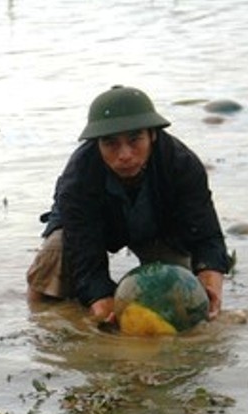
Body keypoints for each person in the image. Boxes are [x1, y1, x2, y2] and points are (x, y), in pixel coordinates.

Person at [26, 85, 231, 323]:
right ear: (97, 144)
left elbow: (206, 235)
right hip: (94, 228)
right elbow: (85, 257)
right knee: (55, 254)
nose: (124, 155)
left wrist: (210, 285)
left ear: (152, 135)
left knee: (186, 299)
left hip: (160, 228)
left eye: (135, 140)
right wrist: (102, 303)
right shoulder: (79, 177)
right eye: (110, 143)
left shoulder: (181, 164)